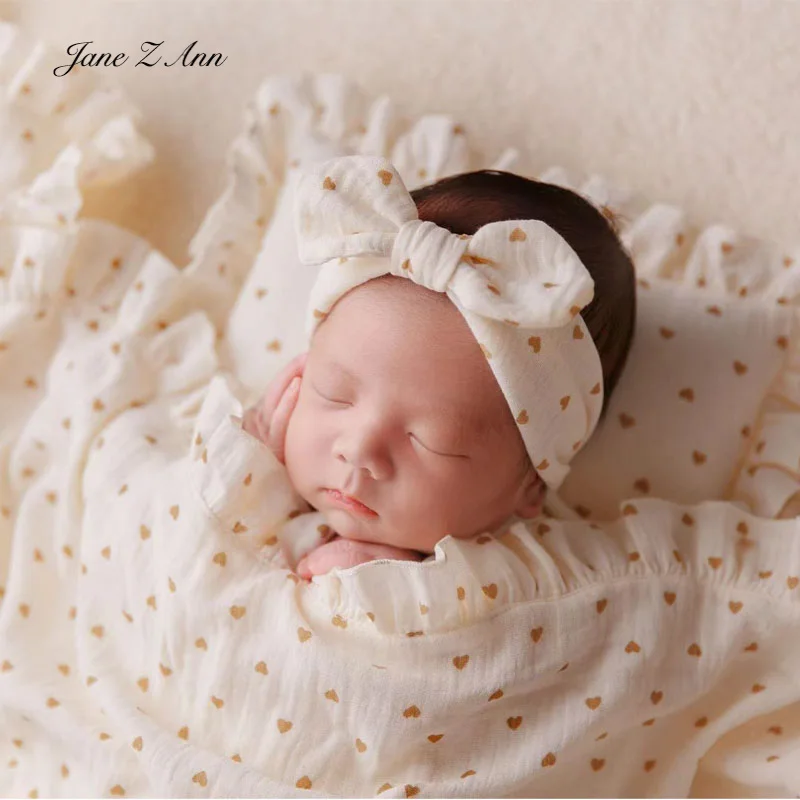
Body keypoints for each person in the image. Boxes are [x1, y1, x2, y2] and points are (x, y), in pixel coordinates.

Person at [243, 154, 636, 579]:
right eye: (332, 394)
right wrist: (246, 469)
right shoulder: (242, 477)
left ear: (531, 485)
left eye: (432, 441)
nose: (358, 450)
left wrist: (386, 592)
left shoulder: (525, 582)